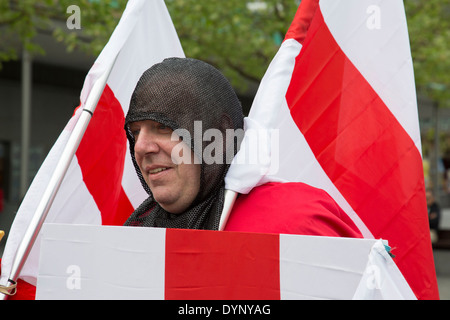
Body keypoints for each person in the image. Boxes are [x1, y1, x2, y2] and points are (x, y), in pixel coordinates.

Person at [124, 57, 362, 238]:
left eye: (163, 127)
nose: (141, 147)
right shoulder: (134, 232)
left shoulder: (297, 221)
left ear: (216, 136)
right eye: (135, 132)